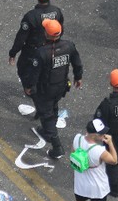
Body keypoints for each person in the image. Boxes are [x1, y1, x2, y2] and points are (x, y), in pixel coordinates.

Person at [25, 19, 83, 159]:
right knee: (53, 106)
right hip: (61, 86)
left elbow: (34, 73)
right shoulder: (69, 46)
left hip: (45, 90)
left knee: (46, 115)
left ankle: (57, 147)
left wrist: (29, 87)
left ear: (47, 34)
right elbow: (77, 62)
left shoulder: (41, 52)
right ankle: (47, 130)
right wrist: (78, 77)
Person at [70, 119, 118, 201]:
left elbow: (73, 153)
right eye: (101, 133)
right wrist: (111, 143)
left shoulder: (77, 139)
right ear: (94, 135)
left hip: (81, 183)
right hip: (97, 186)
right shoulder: (99, 150)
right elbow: (114, 160)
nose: (104, 135)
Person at [9, 0, 64, 88]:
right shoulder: (57, 11)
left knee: (23, 70)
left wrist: (13, 53)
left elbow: (21, 38)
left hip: (32, 51)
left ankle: (29, 88)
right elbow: (60, 30)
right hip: (50, 49)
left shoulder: (31, 16)